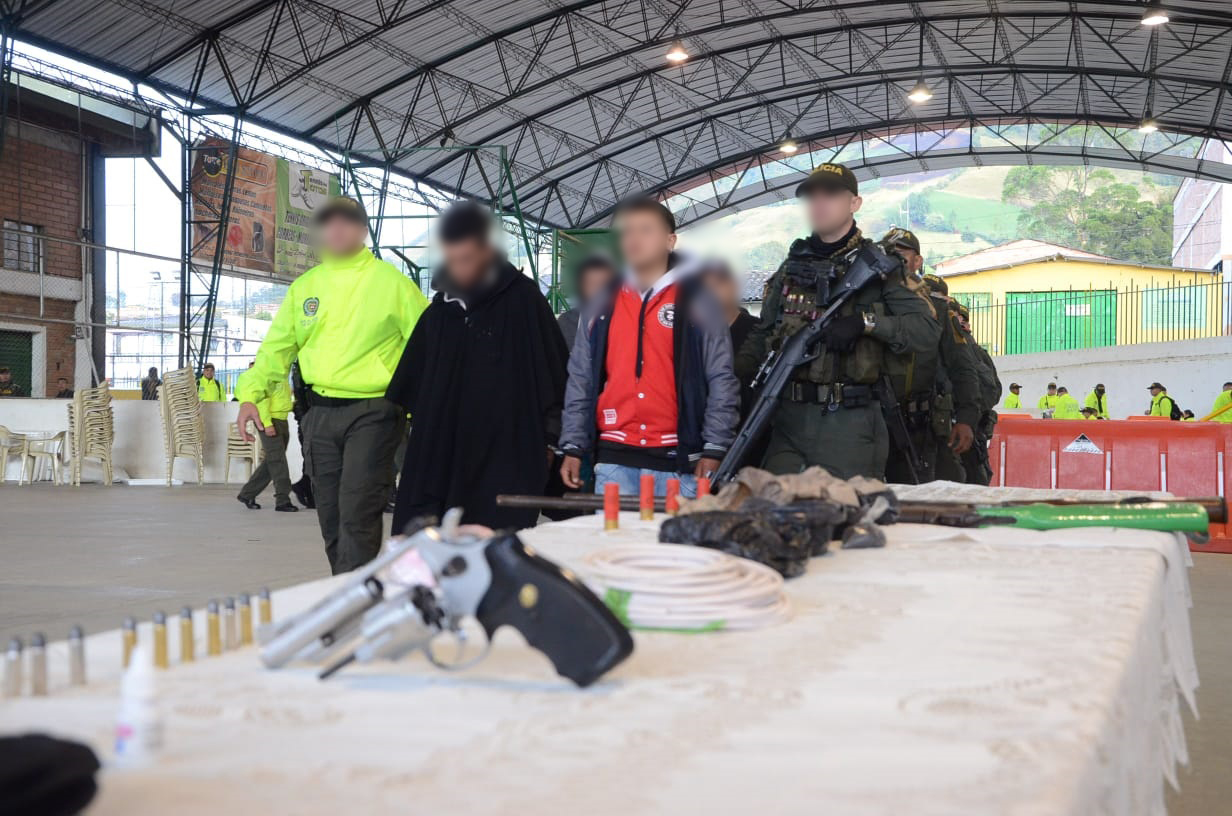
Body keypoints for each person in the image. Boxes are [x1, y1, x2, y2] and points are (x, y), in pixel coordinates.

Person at [235, 195, 429, 574]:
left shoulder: (392, 284)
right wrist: (248, 397)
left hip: (375, 411)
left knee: (358, 507)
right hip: (319, 414)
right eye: (330, 223)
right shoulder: (305, 287)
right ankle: (349, 587)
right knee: (330, 513)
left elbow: (428, 347)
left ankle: (353, 599)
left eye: (348, 222)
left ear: (362, 230)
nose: (337, 229)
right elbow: (276, 349)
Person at [735, 164, 939, 480]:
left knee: (844, 517)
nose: (819, 203)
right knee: (772, 512)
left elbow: (925, 331)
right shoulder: (792, 267)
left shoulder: (882, 268)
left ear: (854, 203)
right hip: (788, 417)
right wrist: (729, 377)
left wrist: (866, 322)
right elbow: (765, 334)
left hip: (848, 423)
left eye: (831, 194)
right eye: (812, 196)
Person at [388, 202, 569, 530]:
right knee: (432, 550)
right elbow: (414, 387)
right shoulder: (441, 311)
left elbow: (554, 377)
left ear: (487, 251)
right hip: (443, 455)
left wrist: (548, 441)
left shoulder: (524, 301)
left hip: (506, 456)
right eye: (453, 259)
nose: (460, 268)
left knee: (497, 547)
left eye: (467, 258)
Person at [560, 198, 739, 497]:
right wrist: (573, 446)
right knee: (616, 541)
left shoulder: (699, 300)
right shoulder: (600, 302)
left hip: (681, 458)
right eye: (627, 231)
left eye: (645, 230)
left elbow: (721, 376)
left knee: (674, 544)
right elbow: (580, 377)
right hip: (614, 457)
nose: (634, 239)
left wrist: (715, 447)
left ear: (670, 241)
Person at [881, 238, 979, 485]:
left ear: (917, 261)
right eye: (888, 255)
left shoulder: (937, 310)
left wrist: (966, 418)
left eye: (902, 256)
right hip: (871, 421)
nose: (895, 262)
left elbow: (962, 367)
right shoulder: (873, 305)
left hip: (918, 426)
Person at [950, 301, 1001, 485]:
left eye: (962, 320)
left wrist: (968, 415)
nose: (961, 324)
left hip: (966, 428)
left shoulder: (968, 346)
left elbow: (991, 389)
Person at [702, 259, 759, 419]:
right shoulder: (694, 335)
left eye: (716, 286)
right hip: (709, 426)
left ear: (733, 286)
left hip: (750, 423)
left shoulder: (758, 331)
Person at [236, 377, 297, 512]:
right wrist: (267, 423)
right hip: (270, 421)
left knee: (273, 459)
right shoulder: (266, 376)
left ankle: (247, 494)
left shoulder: (280, 373)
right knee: (277, 460)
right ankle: (283, 499)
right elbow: (262, 402)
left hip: (281, 419)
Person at [557, 254, 618, 350]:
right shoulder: (567, 322)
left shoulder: (627, 323)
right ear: (582, 287)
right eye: (592, 284)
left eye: (604, 284)